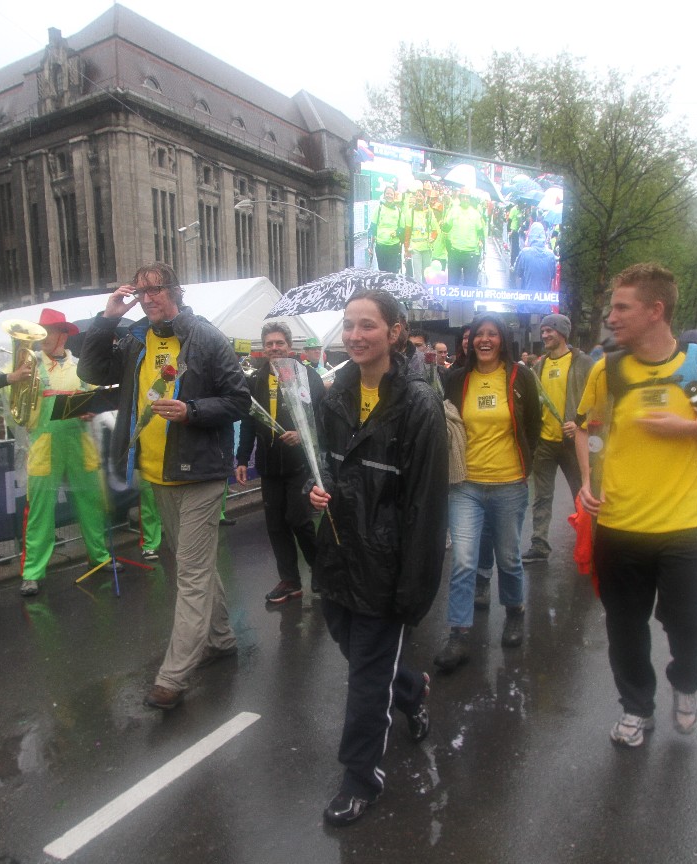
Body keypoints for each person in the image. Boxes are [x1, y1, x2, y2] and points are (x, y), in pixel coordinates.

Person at [575, 263, 697, 748]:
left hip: (688, 527)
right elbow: (586, 428)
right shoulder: (608, 368)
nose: (611, 317)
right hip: (619, 526)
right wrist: (587, 479)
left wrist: (688, 428)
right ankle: (636, 708)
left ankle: (686, 682)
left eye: (622, 307)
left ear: (655, 310)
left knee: (691, 627)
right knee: (625, 629)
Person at [79, 262, 249, 710]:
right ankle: (221, 638)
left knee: (190, 573)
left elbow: (239, 400)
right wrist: (108, 318)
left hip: (200, 474)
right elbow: (91, 371)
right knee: (197, 564)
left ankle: (173, 677)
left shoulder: (204, 337)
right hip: (157, 473)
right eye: (140, 291)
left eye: (155, 289)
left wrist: (192, 411)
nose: (147, 298)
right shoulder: (136, 338)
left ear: (175, 290)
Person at [309, 288, 448, 826]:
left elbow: (426, 506)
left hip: (385, 568)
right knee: (362, 657)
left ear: (394, 332)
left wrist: (413, 590)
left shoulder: (418, 404)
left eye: (367, 325)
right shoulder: (334, 394)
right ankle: (411, 690)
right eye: (348, 325)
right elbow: (323, 468)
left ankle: (360, 778)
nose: (354, 335)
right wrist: (313, 490)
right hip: (338, 555)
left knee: (367, 680)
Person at [435, 313, 541, 671]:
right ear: (469, 341)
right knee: (464, 560)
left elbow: (533, 425)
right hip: (466, 485)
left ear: (502, 340)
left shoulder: (520, 377)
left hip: (509, 484)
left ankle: (514, 612)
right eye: (478, 333)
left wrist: (524, 465)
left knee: (508, 557)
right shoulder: (456, 378)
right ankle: (459, 634)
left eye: (492, 334)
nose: (484, 339)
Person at [0, 309, 109, 596]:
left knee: (91, 502)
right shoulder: (28, 364)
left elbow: (100, 398)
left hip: (80, 441)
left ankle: (100, 557)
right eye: (41, 331)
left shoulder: (80, 367)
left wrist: (92, 410)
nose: (43, 337)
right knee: (39, 510)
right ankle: (32, 573)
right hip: (43, 444)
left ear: (63, 334)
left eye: (49, 331)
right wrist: (12, 377)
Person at [236, 322, 325, 605]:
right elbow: (249, 421)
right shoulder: (256, 379)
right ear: (264, 348)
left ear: (289, 346)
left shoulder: (307, 376)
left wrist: (303, 434)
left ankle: (321, 570)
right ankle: (290, 581)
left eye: (279, 343)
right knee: (275, 525)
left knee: (299, 520)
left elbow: (323, 417)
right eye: (269, 344)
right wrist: (242, 458)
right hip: (270, 464)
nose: (274, 348)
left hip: (300, 464)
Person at [524, 314, 595, 562]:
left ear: (562, 333)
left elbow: (598, 398)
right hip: (545, 442)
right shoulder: (539, 366)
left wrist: (580, 424)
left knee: (582, 494)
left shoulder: (583, 363)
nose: (544, 335)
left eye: (549, 331)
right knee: (541, 496)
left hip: (573, 443)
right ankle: (539, 544)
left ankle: (590, 542)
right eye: (543, 331)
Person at [441, 191, 486, 288]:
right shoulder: (453, 211)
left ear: (470, 199)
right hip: (455, 253)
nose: (465, 199)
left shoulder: (475, 214)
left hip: (471, 255)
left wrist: (480, 249)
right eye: (463, 197)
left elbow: (480, 233)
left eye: (467, 197)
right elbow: (446, 229)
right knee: (453, 284)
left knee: (470, 286)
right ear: (460, 198)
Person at [368, 187, 405, 274]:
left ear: (394, 196)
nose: (389, 196)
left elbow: (402, 228)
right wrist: (370, 246)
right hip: (381, 246)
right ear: (384, 195)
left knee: (393, 273)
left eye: (391, 194)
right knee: (382, 272)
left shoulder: (399, 211)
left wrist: (397, 233)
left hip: (394, 246)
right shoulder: (379, 209)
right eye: (387, 193)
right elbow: (372, 227)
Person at [513, 223, 557, 295]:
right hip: (544, 300)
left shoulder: (524, 253)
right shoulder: (551, 256)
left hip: (527, 299)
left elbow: (517, 275)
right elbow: (552, 277)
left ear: (531, 235)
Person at [405, 190, 438, 285]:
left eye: (420, 196)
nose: (418, 198)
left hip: (426, 248)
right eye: (417, 196)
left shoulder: (429, 212)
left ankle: (426, 293)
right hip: (415, 249)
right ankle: (418, 294)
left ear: (425, 198)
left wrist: (433, 237)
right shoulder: (410, 212)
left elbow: (435, 230)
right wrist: (406, 249)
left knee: (427, 275)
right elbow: (407, 232)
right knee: (417, 275)